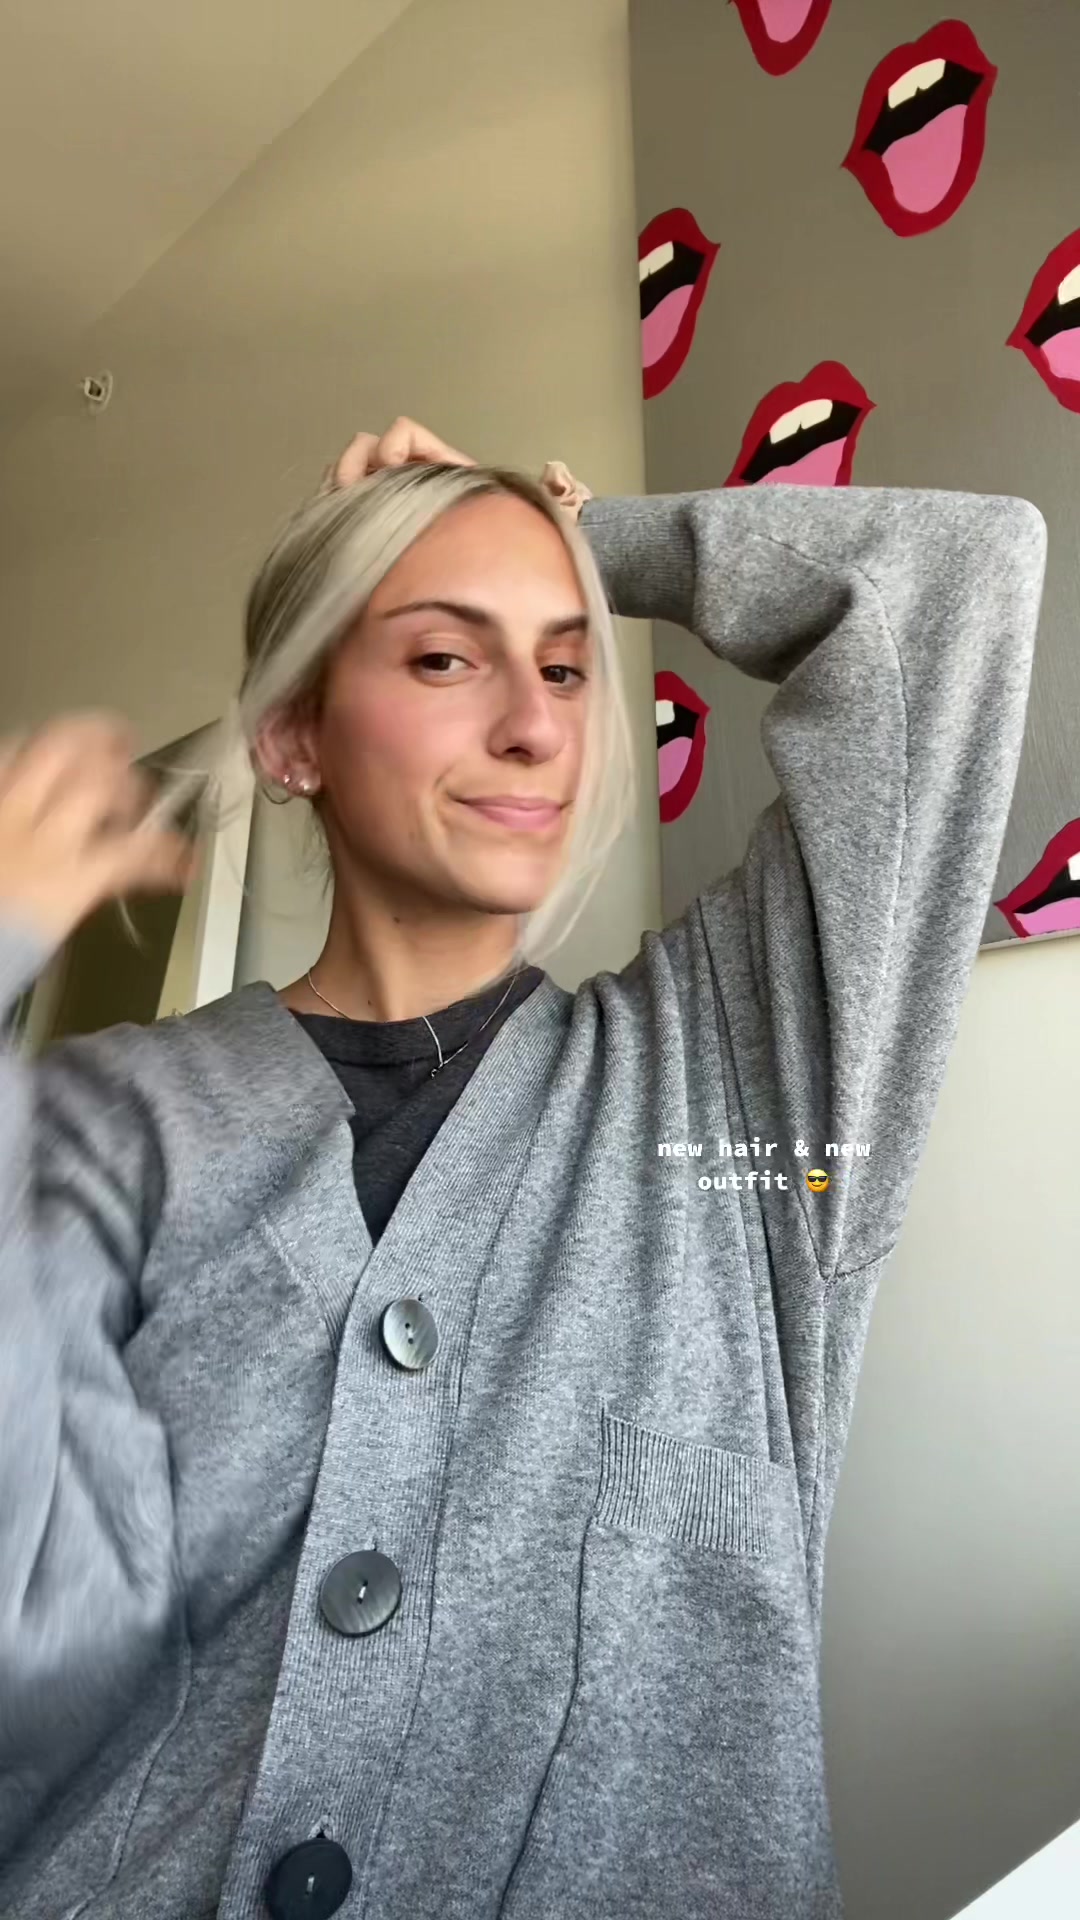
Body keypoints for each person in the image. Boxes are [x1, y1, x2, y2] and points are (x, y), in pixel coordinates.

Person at [0, 417, 1047, 1920]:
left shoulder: (737, 1082)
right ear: (294, 737)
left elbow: (958, 578)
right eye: (445, 658)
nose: (538, 727)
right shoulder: (106, 1125)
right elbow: (32, 1652)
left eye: (564, 669)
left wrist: (585, 538)